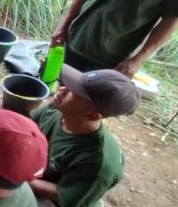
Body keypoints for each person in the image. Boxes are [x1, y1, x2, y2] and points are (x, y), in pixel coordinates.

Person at [29, 65, 141, 207]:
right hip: (40, 175)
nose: (61, 89)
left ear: (93, 115)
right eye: (68, 85)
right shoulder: (57, 109)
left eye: (73, 92)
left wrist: (18, 178)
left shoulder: (98, 163)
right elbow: (26, 126)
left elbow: (63, 195)